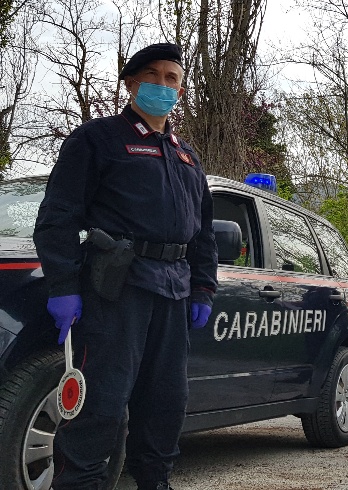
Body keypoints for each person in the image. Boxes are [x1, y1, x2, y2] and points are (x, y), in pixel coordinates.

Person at [33, 42, 218, 490]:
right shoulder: (98, 139)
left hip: (173, 292)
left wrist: (203, 288)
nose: (162, 85)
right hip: (116, 291)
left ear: (180, 90)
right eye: (152, 75)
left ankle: (156, 482)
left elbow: (203, 233)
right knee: (101, 404)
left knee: (165, 404)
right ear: (132, 83)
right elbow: (58, 216)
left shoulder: (186, 155)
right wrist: (63, 285)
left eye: (172, 78)